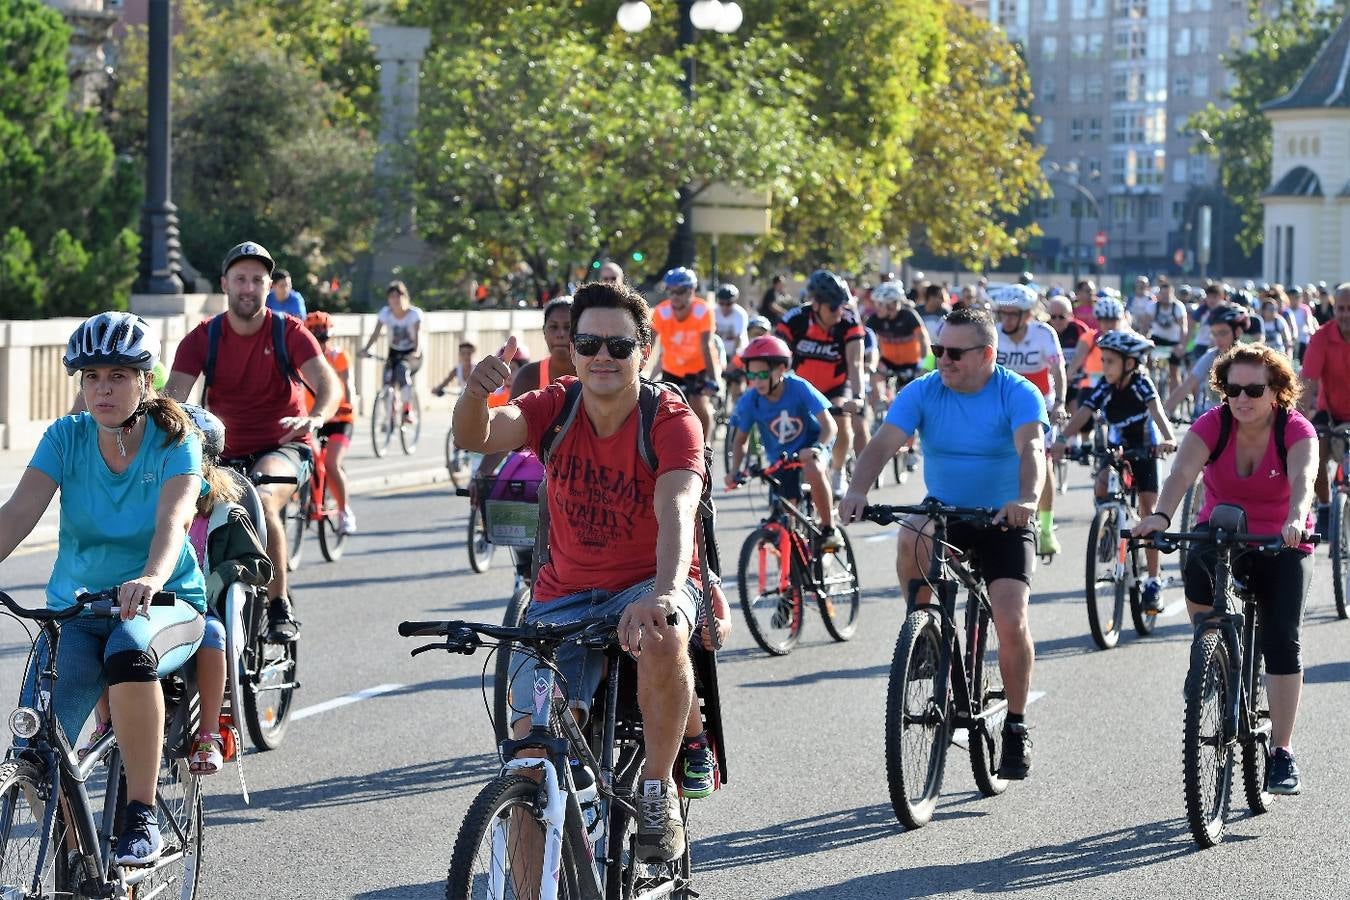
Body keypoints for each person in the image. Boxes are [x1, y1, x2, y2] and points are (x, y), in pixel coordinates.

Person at [454, 281, 707, 863]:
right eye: (589, 342)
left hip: (649, 583)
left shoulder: (668, 418)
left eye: (619, 347)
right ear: (573, 350)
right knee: (530, 764)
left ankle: (656, 786)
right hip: (562, 597)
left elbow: (676, 508)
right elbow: (477, 435)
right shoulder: (555, 405)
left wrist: (666, 593)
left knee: (665, 631)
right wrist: (475, 393)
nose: (602, 357)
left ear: (644, 351)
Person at [0, 312, 207, 865]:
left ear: (146, 381)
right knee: (37, 747)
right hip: (77, 611)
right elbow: (15, 515)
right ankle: (75, 860)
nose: (103, 388)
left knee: (130, 653)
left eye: (117, 374)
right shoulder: (65, 438)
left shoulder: (173, 439)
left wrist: (150, 577)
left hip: (164, 602)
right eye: (91, 377)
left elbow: (174, 521)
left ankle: (141, 813)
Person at [841, 307, 1046, 779]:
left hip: (1003, 517)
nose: (943, 360)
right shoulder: (923, 390)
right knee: (912, 528)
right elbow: (882, 443)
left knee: (1011, 619)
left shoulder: (1016, 392)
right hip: (946, 510)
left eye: (954, 353)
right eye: (938, 351)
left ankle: (1015, 725)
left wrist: (1025, 500)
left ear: (987, 355)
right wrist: (857, 491)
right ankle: (924, 631)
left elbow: (1032, 448)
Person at [1133, 344, 1317, 795]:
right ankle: (1213, 653)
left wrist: (1296, 519)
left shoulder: (1295, 429)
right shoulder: (1212, 425)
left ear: (1276, 391)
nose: (1242, 398)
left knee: (1281, 641)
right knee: (1194, 562)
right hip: (1224, 533)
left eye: (1254, 389)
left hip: (1282, 537)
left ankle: (1282, 751)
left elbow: (1304, 480)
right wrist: (1160, 515)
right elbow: (1180, 475)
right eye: (1232, 389)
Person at [165, 240, 342, 643]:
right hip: (220, 452)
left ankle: (279, 603)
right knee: (179, 512)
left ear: (269, 286)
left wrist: (314, 417)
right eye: (240, 279)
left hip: (281, 444)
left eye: (257, 280)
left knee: (260, 501)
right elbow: (171, 403)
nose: (248, 287)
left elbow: (327, 384)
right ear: (225, 283)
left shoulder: (289, 333)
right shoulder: (203, 338)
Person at [1052, 331, 1177, 610]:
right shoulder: (1104, 387)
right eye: (1103, 360)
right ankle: (1108, 526)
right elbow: (1084, 413)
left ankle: (1154, 579)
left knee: (1148, 511)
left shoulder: (1141, 384)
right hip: (1116, 448)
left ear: (1130, 363)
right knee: (1101, 484)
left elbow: (1157, 412)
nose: (1104, 367)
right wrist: (1062, 441)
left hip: (1145, 447)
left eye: (1110, 362)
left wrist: (1168, 439)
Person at [725, 335, 841, 548]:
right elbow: (740, 440)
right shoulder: (750, 400)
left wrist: (816, 448)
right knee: (784, 529)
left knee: (814, 468)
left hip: (812, 447)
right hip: (781, 460)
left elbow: (830, 425)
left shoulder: (798, 387)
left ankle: (828, 529)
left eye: (762, 374)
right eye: (751, 374)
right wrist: (735, 471)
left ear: (780, 369)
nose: (756, 381)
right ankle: (791, 576)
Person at [993, 283, 1067, 556]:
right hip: (1002, 401)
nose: (1007, 320)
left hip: (1039, 402)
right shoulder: (995, 334)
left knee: (1041, 458)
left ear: (1027, 315)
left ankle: (1046, 529)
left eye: (1014, 314)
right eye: (1003, 313)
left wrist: (1059, 402)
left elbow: (1058, 370)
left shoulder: (1043, 333)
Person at [776, 269, 866, 493]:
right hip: (802, 385)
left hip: (836, 385)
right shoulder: (795, 319)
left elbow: (855, 364)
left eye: (842, 305)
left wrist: (858, 397)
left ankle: (837, 470)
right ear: (816, 305)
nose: (839, 312)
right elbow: (776, 355)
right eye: (834, 307)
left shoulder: (849, 323)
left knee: (842, 423)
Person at [649, 266, 721, 445]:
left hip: (699, 367)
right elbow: (648, 343)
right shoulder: (661, 312)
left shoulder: (703, 311)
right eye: (670, 291)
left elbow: (706, 345)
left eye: (680, 291)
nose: (675, 296)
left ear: (692, 291)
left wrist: (713, 379)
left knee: (699, 403)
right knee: (664, 411)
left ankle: (705, 446)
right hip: (672, 369)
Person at [1299, 282, 1350, 533]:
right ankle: (1327, 507)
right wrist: (1294, 423)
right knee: (1314, 452)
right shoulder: (1321, 337)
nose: (1345, 314)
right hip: (1329, 412)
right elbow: (1307, 384)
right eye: (1341, 308)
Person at [303, 311, 357, 534]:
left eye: (324, 338)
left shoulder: (339, 357)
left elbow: (348, 385)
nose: (320, 344)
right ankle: (304, 499)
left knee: (332, 463)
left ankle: (345, 512)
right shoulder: (301, 361)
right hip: (315, 418)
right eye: (315, 339)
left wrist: (349, 404)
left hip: (340, 418)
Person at [1165, 303, 1249, 420]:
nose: (1217, 339)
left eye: (1223, 332)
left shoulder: (1249, 358)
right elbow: (1187, 385)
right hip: (1213, 419)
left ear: (1238, 331)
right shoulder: (1211, 356)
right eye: (1214, 333)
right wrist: (1161, 413)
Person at [361, 280, 424, 424]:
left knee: (402, 370)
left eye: (398, 296)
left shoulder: (414, 314)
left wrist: (416, 351)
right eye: (392, 297)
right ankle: (391, 412)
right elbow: (376, 333)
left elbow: (418, 335)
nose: (395, 300)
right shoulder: (386, 313)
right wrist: (365, 350)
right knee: (387, 381)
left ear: (405, 297)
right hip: (394, 353)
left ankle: (408, 410)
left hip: (411, 354)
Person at [867, 280, 930, 413]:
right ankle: (879, 409)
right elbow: (863, 338)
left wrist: (923, 364)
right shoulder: (876, 318)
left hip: (911, 363)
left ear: (891, 305)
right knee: (874, 375)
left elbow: (924, 340)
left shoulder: (909, 316)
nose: (876, 307)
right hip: (888, 361)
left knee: (905, 399)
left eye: (880, 304)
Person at [511, 296, 576, 397]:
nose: (561, 334)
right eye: (553, 327)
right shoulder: (528, 375)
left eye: (568, 327)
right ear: (544, 331)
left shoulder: (594, 374)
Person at [1147, 277, 1189, 392]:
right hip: (1157, 338)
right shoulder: (1152, 306)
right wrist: (1144, 341)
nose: (1166, 297)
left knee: (1174, 372)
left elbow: (1183, 328)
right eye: (1163, 294)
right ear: (1159, 294)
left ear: (1172, 294)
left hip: (1173, 341)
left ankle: (1173, 401)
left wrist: (1181, 346)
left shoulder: (1178, 307)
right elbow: (1144, 326)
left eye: (1168, 294)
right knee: (1146, 353)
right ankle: (1151, 376)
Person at [713, 284, 750, 404]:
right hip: (718, 352)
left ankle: (735, 410)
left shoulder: (740, 314)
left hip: (736, 352)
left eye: (728, 304)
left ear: (734, 302)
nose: (724, 307)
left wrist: (733, 363)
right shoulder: (713, 312)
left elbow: (738, 340)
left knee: (736, 382)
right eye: (721, 303)